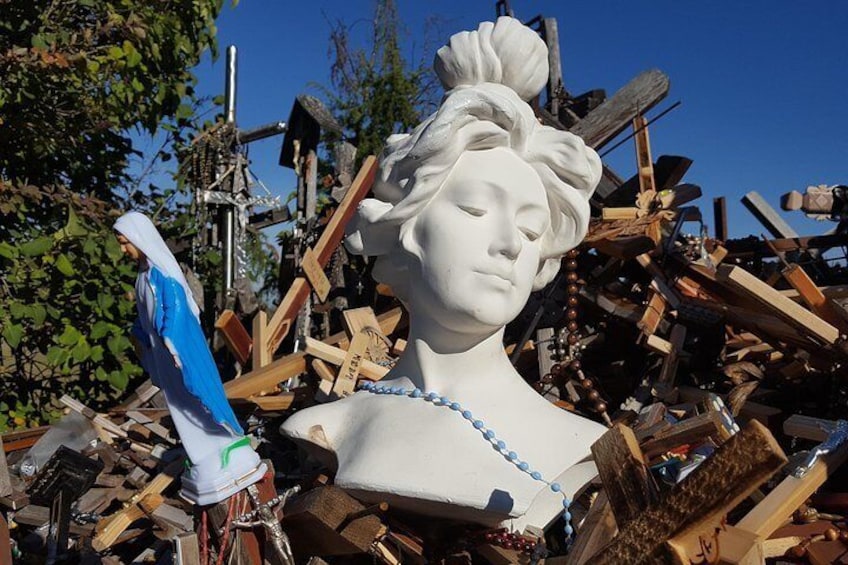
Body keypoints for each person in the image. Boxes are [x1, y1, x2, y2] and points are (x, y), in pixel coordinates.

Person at [281, 16, 607, 531]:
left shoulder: (579, 446)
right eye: (476, 209)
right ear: (408, 225)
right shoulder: (327, 427)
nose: (508, 245)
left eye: (529, 229)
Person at [115, 211, 265, 505]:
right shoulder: (142, 279)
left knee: (198, 397)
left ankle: (224, 443)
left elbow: (177, 310)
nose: (123, 250)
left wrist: (171, 339)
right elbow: (145, 319)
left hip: (179, 352)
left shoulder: (163, 276)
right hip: (164, 356)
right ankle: (203, 453)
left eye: (125, 243)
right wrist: (140, 336)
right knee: (180, 404)